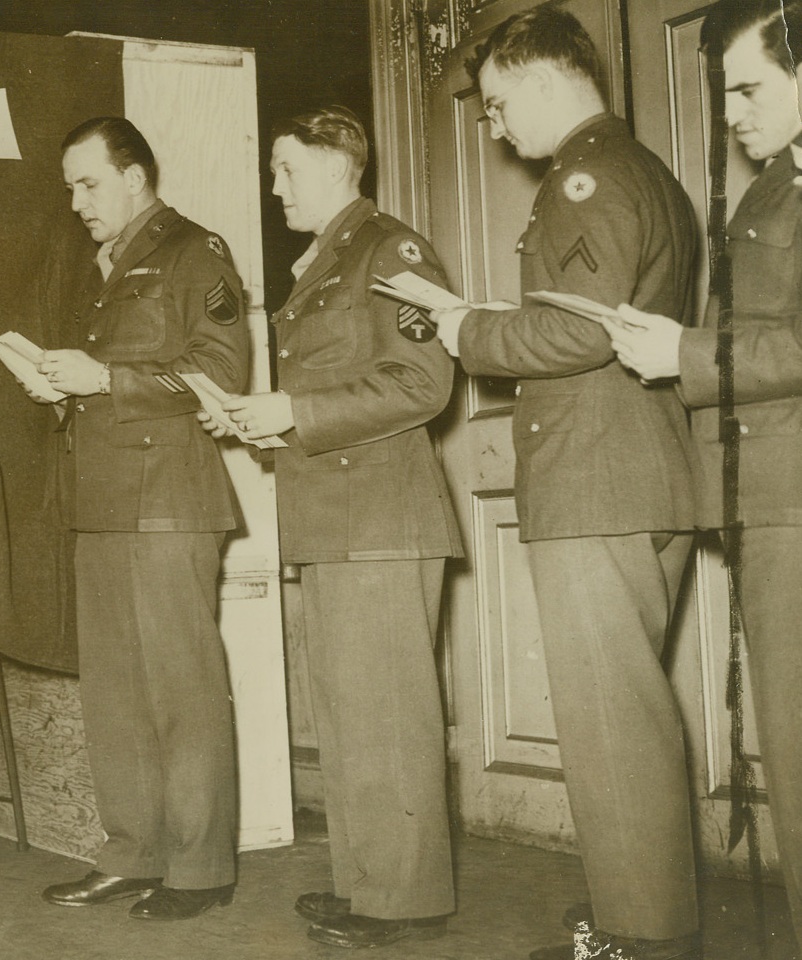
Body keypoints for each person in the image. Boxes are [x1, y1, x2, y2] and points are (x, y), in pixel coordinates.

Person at [428, 8, 701, 960]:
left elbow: (581, 332)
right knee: (624, 718)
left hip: (599, 482)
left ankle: (640, 940)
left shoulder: (586, 179)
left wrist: (465, 329)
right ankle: (640, 924)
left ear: (543, 78)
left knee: (612, 728)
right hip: (635, 473)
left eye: (500, 104)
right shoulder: (644, 172)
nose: (495, 128)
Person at [206, 105, 461, 949]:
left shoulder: (391, 250)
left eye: (284, 168)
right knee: (353, 716)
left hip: (382, 516)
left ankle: (406, 900)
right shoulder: (325, 260)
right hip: (333, 518)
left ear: (334, 163)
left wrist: (296, 409)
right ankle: (368, 888)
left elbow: (423, 383)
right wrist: (267, 420)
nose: (273, 185)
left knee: (386, 717)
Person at [607, 2, 802, 954]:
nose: (730, 110)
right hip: (768, 500)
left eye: (751, 86)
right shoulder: (772, 189)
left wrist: (684, 350)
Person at [34, 117, 250, 921]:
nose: (78, 201)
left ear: (135, 176)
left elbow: (219, 372)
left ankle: (199, 868)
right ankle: (132, 853)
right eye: (69, 188)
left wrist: (103, 377)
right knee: (116, 696)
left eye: (88, 183)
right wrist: (66, 385)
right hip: (103, 501)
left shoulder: (196, 252)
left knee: (181, 693)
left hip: (168, 504)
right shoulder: (107, 264)